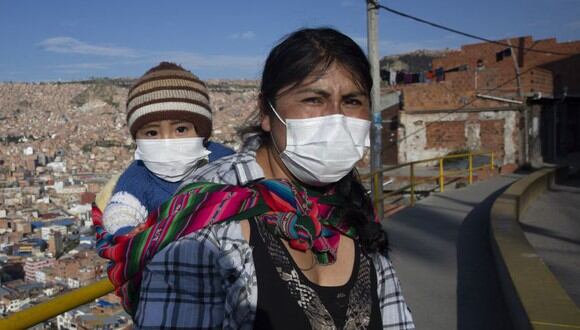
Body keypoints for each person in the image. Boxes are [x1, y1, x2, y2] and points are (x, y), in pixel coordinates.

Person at [97, 28, 414, 329]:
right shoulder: (206, 218)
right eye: (313, 99)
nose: (336, 118)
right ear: (266, 111)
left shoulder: (350, 203)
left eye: (352, 101)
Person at [99, 62, 234, 236]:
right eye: (152, 133)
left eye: (180, 130)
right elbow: (120, 209)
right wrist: (128, 232)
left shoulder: (222, 160)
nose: (167, 141)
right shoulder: (140, 173)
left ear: (202, 132)